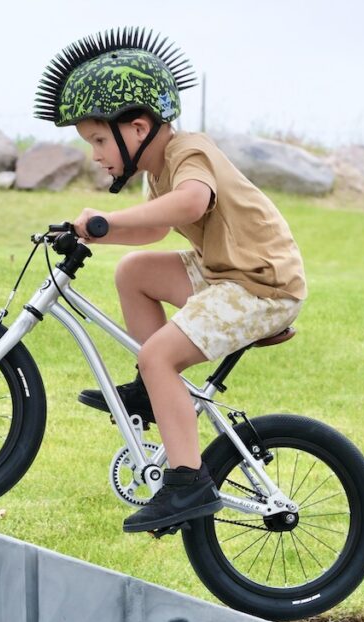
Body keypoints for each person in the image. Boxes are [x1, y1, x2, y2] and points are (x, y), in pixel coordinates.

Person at [34, 27, 307, 534]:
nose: (96, 154)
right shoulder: (157, 168)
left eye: (98, 140)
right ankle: (151, 392)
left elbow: (192, 203)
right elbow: (157, 226)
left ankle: (188, 482)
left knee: (158, 353)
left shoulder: (190, 151)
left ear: (137, 128)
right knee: (134, 272)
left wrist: (107, 220)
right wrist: (93, 235)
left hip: (261, 283)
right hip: (224, 272)